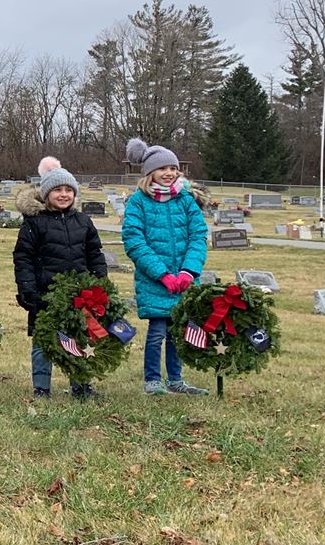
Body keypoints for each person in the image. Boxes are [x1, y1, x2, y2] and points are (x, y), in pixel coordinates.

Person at [120, 137, 210, 396]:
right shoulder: (139, 202)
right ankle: (152, 380)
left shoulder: (185, 200)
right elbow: (135, 241)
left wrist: (188, 271)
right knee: (158, 331)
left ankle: (176, 379)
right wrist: (162, 274)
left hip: (183, 279)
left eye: (173, 168)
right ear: (150, 173)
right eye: (162, 169)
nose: (169, 173)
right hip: (155, 279)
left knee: (179, 330)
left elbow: (198, 236)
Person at [12, 157, 106, 400]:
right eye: (57, 190)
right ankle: (42, 387)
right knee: (44, 341)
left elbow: (94, 254)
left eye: (68, 190)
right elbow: (23, 258)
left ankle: (81, 385)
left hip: (79, 295)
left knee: (79, 338)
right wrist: (27, 289)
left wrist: (100, 283)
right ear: (46, 194)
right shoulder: (34, 223)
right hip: (45, 294)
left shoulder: (83, 222)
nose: (63, 195)